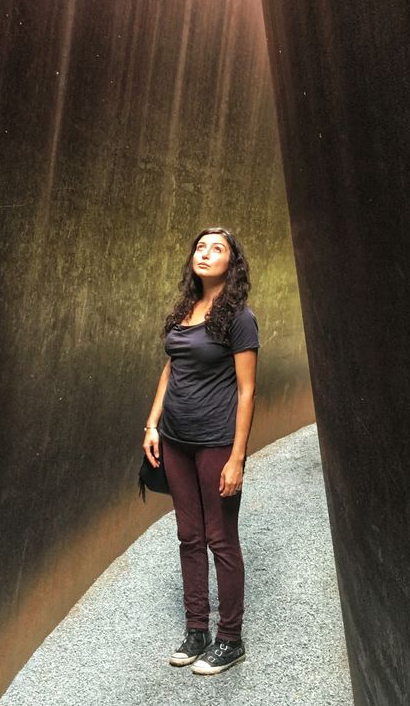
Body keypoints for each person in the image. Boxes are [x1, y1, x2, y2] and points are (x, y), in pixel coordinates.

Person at [143, 226, 259, 675]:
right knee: (188, 537)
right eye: (200, 246)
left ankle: (230, 638)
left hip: (215, 443)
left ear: (232, 263)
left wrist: (237, 458)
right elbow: (171, 371)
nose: (205, 253)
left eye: (218, 248)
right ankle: (197, 631)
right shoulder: (184, 311)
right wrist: (152, 424)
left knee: (220, 540)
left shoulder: (239, 318)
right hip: (175, 441)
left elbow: (247, 392)